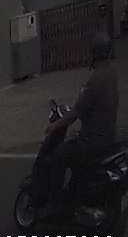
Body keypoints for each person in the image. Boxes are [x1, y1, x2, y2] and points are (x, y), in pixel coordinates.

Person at [40, 33, 118, 210]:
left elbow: (76, 112)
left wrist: (54, 126)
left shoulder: (95, 80)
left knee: (59, 155)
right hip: (107, 136)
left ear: (94, 53)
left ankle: (56, 204)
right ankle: (75, 194)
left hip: (92, 141)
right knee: (74, 154)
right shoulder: (112, 74)